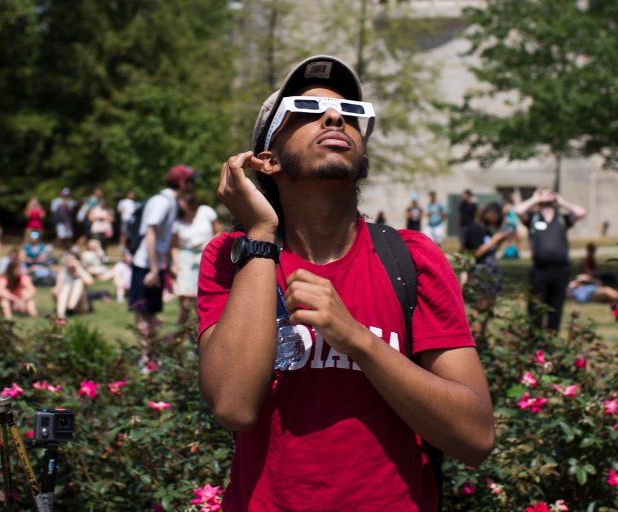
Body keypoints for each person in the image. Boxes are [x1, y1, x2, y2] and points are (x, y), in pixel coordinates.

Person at [197, 55, 493, 510]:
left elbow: (475, 435)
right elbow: (233, 407)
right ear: (268, 159)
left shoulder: (413, 258)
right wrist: (260, 236)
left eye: (353, 114)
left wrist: (358, 340)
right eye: (307, 110)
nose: (335, 116)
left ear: (364, 153)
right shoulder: (231, 257)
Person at [131, 165, 195, 343]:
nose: (194, 185)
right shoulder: (162, 202)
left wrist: (166, 265)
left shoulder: (171, 202)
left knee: (151, 313)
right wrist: (153, 270)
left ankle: (150, 356)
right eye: (191, 181)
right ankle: (145, 359)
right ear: (182, 183)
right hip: (145, 266)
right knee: (143, 312)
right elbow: (150, 235)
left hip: (155, 265)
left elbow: (163, 239)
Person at [515, 187, 586, 332]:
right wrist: (534, 199)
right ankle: (534, 339)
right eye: (543, 193)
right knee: (535, 306)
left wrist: (562, 202)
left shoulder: (562, 219)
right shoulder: (533, 219)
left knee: (556, 307)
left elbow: (581, 212)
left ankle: (552, 340)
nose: (546, 197)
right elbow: (518, 211)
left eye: (549, 194)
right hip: (540, 270)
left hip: (560, 271)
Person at [460, 202, 512, 334]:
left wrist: (499, 241)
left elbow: (490, 250)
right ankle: (477, 338)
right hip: (481, 273)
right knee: (480, 309)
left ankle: (481, 335)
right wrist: (495, 239)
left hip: (490, 273)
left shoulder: (487, 230)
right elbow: (477, 253)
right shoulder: (475, 229)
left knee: (488, 308)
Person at [172, 190, 220, 326]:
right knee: (186, 297)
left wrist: (210, 246)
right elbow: (174, 246)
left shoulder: (205, 212)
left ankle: (202, 326)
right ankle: (181, 330)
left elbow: (218, 231)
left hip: (206, 254)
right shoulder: (178, 222)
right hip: (186, 258)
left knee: (204, 295)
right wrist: (175, 263)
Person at [53, 251, 94, 319]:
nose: (70, 262)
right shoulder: (63, 272)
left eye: (73, 260)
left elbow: (90, 282)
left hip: (81, 305)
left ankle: (70, 307)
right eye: (68, 260)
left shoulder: (81, 271)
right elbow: (57, 288)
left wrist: (78, 268)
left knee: (79, 282)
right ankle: (61, 314)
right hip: (65, 300)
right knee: (66, 287)